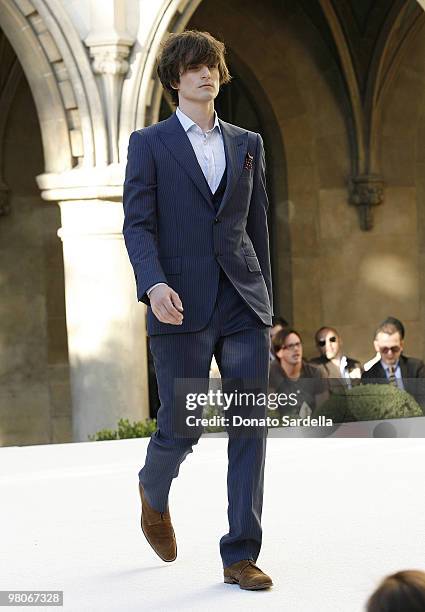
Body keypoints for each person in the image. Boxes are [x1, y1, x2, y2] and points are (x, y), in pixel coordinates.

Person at [123, 30, 274, 590]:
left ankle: (240, 554)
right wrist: (153, 285)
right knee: (182, 426)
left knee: (249, 427)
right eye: (192, 68)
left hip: (241, 301)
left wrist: (266, 303)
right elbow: (137, 224)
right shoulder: (149, 143)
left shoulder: (248, 142)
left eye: (210, 66)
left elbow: (257, 229)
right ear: (174, 79)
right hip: (178, 303)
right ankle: (153, 488)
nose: (205, 75)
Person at [362, 320, 425, 409]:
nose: (390, 353)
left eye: (394, 348)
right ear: (376, 346)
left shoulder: (416, 368)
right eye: (384, 349)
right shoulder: (368, 376)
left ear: (401, 345)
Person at [269, 328, 328, 417]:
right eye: (290, 346)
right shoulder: (269, 374)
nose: (296, 349)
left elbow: (323, 410)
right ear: (279, 352)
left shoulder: (315, 373)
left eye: (298, 344)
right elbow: (270, 412)